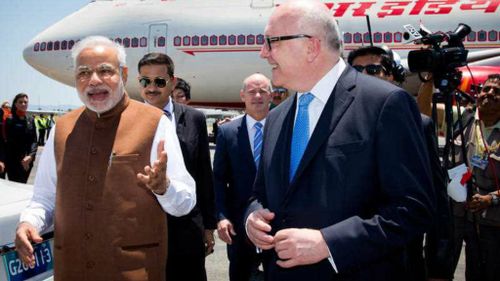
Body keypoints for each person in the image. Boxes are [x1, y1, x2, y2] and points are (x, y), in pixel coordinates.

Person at [245, 1, 435, 280]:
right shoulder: (276, 117)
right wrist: (253, 217)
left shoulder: (384, 104)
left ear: (311, 46)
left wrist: (329, 243)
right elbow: (260, 193)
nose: (263, 53)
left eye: (271, 42)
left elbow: (413, 208)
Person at [14, 36, 196, 280]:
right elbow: (45, 198)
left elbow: (185, 203)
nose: (94, 80)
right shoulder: (62, 128)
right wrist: (29, 223)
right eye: (84, 73)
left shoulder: (155, 123)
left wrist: (164, 188)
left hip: (133, 272)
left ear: (123, 73)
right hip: (71, 271)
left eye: (105, 70)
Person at [348, 45, 453, 281]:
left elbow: (436, 198)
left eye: (373, 69)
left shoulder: (418, 124)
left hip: (400, 261)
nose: (364, 75)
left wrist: (438, 266)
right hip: (348, 259)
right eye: (355, 70)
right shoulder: (334, 126)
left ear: (392, 76)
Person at [138, 52, 216, 281]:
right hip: (145, 229)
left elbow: (203, 174)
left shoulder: (194, 119)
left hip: (187, 228)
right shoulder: (128, 119)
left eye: (159, 81)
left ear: (172, 81)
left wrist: (208, 225)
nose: (152, 88)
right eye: (145, 81)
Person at [214, 73, 272, 281]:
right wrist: (222, 217)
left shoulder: (285, 128)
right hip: (239, 225)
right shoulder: (227, 132)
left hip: (278, 222)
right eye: (251, 91)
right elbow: (219, 179)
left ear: (271, 96)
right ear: (242, 96)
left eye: (263, 91)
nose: (257, 96)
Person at [450, 74, 500, 281]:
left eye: (497, 92)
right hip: (461, 217)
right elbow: (424, 112)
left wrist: (492, 198)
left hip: (493, 223)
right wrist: (430, 79)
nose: (489, 93)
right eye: (486, 89)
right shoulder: (464, 119)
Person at [5, 93, 37, 183]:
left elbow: (34, 140)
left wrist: (30, 156)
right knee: (15, 186)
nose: (23, 104)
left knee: (23, 183)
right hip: (13, 161)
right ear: (15, 104)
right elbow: (6, 142)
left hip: (27, 160)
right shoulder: (9, 119)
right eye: (20, 102)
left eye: (25, 102)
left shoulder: (31, 120)